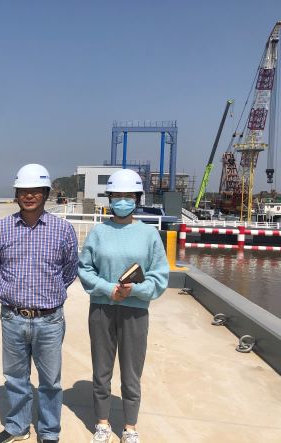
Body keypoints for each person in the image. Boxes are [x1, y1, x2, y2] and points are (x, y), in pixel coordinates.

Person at [0, 164, 79, 443]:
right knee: (15, 377)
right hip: (13, 317)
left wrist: (48, 295)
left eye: (36, 191)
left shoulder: (63, 230)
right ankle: (18, 426)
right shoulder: (1, 229)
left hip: (49, 319)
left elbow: (70, 270)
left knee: (50, 381)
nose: (29, 196)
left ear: (46, 194)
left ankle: (49, 431)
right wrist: (13, 294)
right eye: (23, 191)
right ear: (16, 194)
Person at [78, 169, 169, 443]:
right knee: (101, 369)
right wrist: (108, 289)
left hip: (136, 311)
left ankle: (130, 426)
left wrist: (135, 290)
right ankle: (102, 423)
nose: (122, 201)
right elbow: (85, 269)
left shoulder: (149, 234)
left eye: (128, 196)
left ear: (137, 199)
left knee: (131, 372)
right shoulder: (98, 232)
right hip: (102, 308)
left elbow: (159, 275)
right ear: (110, 198)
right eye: (117, 195)